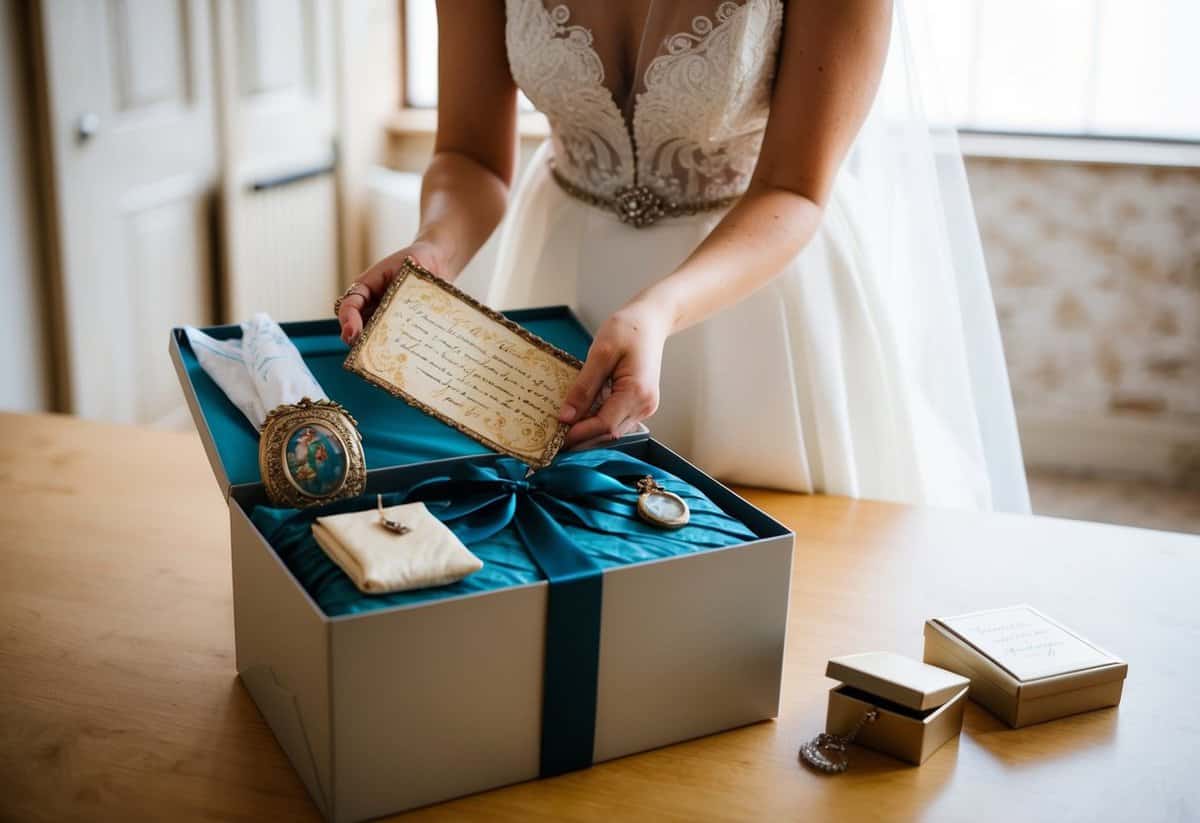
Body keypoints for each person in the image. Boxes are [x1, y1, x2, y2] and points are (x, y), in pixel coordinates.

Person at [336, 0, 1031, 513]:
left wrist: (659, 309)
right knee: (565, 541)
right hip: (561, 273)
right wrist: (436, 247)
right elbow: (469, 155)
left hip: (752, 292)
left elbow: (795, 185)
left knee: (772, 566)